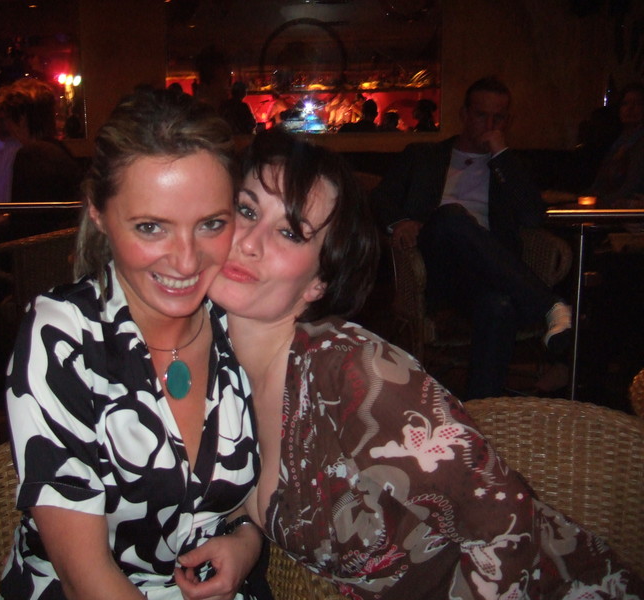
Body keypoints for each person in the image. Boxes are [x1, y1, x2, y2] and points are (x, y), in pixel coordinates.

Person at [205, 127, 643, 600]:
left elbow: (509, 529)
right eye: (247, 210)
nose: (249, 242)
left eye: (291, 232)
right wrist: (243, 539)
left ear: (319, 281)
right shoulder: (212, 361)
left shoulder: (355, 372)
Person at [0, 88, 263, 600]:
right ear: (98, 213)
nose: (186, 262)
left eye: (211, 224)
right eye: (151, 227)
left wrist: (247, 543)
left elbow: (273, 488)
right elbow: (84, 578)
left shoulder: (241, 319)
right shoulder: (63, 335)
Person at [371, 76, 572, 399]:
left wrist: (500, 154)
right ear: (464, 115)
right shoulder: (423, 155)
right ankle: (548, 304)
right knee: (451, 217)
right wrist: (401, 222)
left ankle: (483, 412)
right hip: (433, 267)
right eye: (481, 115)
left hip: (488, 274)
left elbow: (532, 217)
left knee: (499, 306)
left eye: (498, 118)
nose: (489, 125)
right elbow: (380, 198)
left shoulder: (509, 165)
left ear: (508, 121)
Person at [0, 77, 83, 237]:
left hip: (45, 248)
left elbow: (26, 225)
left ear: (22, 118)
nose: (7, 126)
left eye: (7, 118)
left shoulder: (32, 155)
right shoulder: (58, 150)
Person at [586, 81, 644, 207]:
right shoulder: (618, 142)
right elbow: (600, 182)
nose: (630, 109)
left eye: (638, 104)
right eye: (625, 104)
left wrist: (601, 203)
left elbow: (631, 186)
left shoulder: (640, 144)